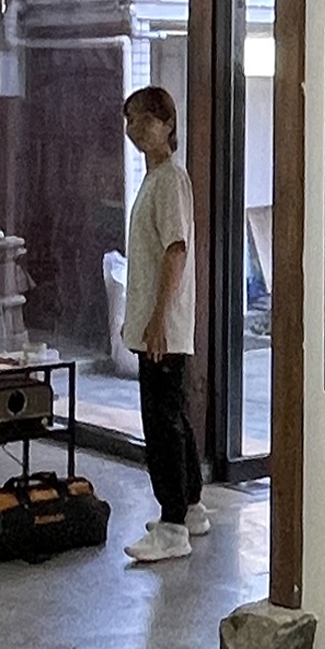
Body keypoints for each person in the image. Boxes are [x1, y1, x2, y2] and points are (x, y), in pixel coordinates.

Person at [119, 86, 204, 565]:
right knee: (173, 415)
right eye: (130, 119)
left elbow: (176, 250)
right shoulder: (156, 179)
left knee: (161, 423)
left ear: (168, 124)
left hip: (163, 327)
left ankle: (172, 524)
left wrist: (157, 321)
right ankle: (189, 507)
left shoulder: (170, 179)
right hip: (158, 323)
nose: (135, 129)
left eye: (146, 119)